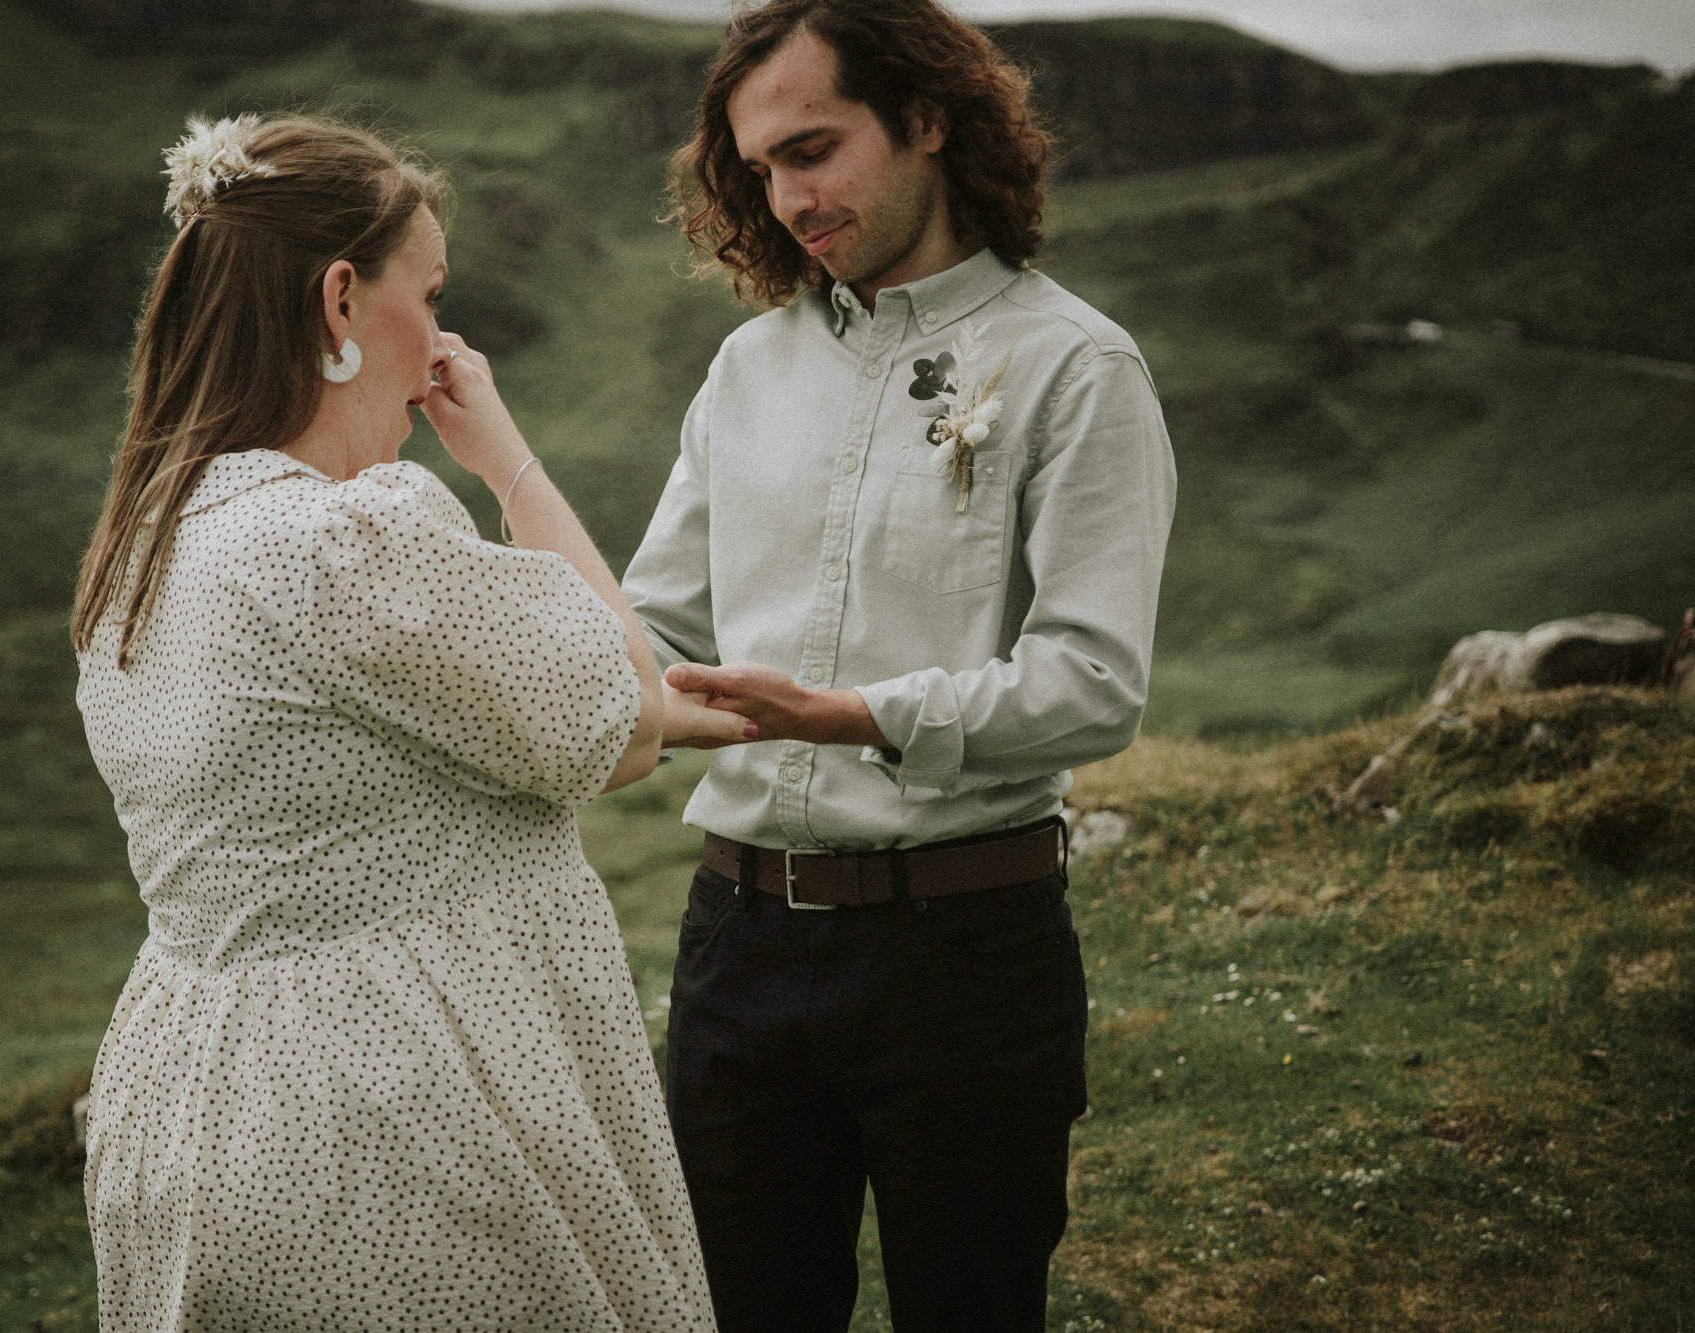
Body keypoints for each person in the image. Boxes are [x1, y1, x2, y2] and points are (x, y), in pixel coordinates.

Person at [70, 113, 743, 1331]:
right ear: (340, 299)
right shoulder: (344, 537)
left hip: (184, 1111)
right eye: (427, 294)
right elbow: (630, 715)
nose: (439, 337)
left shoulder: (145, 547)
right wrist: (508, 462)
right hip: (394, 1122)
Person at [621, 3, 1177, 1329]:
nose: (788, 197)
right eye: (760, 169)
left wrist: (856, 716)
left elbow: (1094, 682)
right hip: (735, 949)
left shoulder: (1077, 368)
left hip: (965, 958)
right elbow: (655, 624)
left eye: (814, 149)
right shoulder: (746, 368)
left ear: (928, 117)